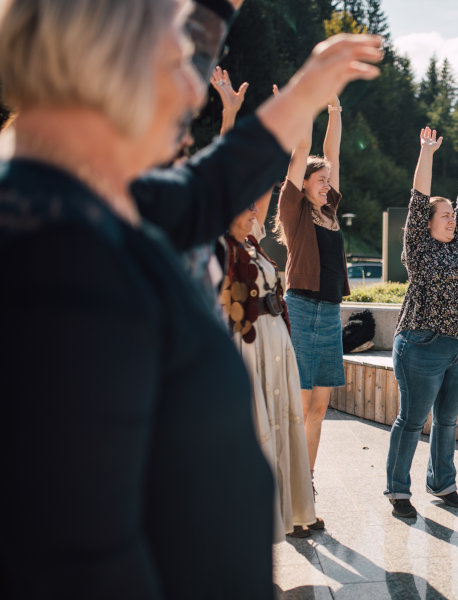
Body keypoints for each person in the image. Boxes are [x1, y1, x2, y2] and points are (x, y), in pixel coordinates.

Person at [0, 0, 382, 594]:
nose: (192, 87)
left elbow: (217, 179)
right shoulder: (47, 259)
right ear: (100, 67)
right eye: (175, 60)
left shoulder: (93, 197)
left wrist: (300, 83)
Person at [384, 126, 458, 519]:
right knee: (411, 421)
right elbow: (418, 199)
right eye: (445, 215)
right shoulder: (419, 246)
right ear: (426, 223)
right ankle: (397, 490)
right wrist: (426, 152)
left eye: (454, 216)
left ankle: (443, 483)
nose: (453, 219)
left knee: (447, 420)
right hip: (422, 343)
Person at [220, 193, 323, 539]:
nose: (254, 211)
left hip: (276, 337)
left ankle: (286, 516)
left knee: (281, 424)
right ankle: (250, 527)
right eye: (246, 205)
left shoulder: (252, 243)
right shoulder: (222, 246)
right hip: (249, 344)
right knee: (257, 426)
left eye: (254, 206)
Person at [275, 92, 346, 487]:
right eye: (320, 180)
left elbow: (329, 153)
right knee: (301, 404)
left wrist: (334, 112)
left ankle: (307, 480)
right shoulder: (293, 208)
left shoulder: (330, 210)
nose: (327, 184)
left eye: (328, 181)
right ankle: (289, 476)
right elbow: (304, 150)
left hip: (330, 313)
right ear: (301, 185)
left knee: (319, 407)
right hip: (300, 309)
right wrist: (304, 110)